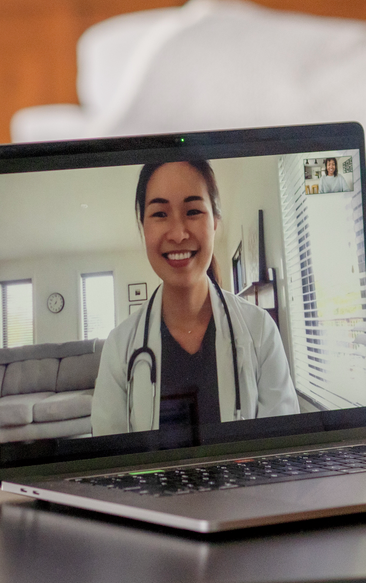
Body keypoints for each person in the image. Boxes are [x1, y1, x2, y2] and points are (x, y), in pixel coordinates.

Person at [92, 159, 299, 436]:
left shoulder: (260, 332)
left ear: (215, 222)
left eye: (193, 211)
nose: (178, 234)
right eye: (160, 214)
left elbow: (282, 450)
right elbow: (110, 465)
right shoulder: (119, 349)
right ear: (143, 227)